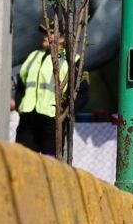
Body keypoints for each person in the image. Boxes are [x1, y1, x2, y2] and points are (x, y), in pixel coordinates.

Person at [12, 27, 88, 156]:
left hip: (52, 122)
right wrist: (19, 105)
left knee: (50, 165)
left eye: (51, 33)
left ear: (63, 38)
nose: (45, 35)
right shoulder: (34, 55)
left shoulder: (73, 60)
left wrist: (64, 112)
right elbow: (21, 84)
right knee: (23, 161)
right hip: (28, 120)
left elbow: (83, 94)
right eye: (45, 32)